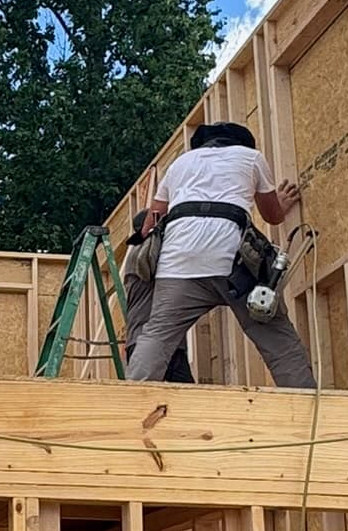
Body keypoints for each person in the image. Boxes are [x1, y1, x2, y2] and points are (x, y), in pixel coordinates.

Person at [125, 121, 315, 389]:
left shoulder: (179, 165)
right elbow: (272, 216)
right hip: (231, 264)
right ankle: (306, 406)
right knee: (276, 338)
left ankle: (130, 402)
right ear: (240, 143)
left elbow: (150, 224)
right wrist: (280, 206)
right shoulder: (250, 157)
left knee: (156, 336)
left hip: (178, 263)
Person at [123, 207, 194, 382]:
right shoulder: (143, 254)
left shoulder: (142, 254)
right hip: (155, 342)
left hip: (155, 341)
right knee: (183, 400)